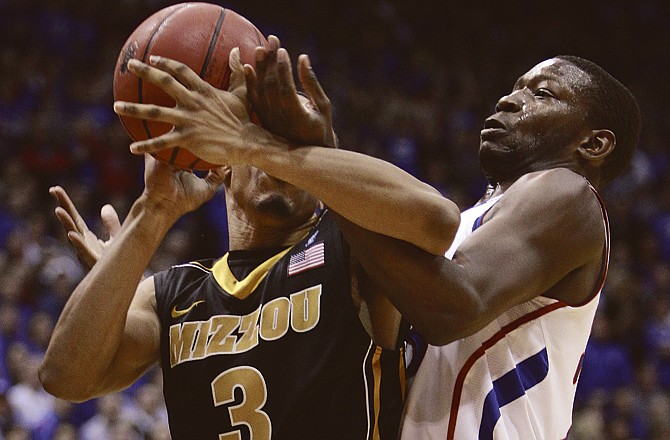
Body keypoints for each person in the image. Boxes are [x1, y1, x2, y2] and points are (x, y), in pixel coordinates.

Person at [111, 36, 641, 439]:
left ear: (593, 143)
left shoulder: (568, 196)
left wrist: (268, 150)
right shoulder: (479, 220)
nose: (509, 99)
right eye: (514, 87)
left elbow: (452, 307)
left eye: (541, 93)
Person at [38, 39, 460, 440]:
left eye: (295, 142)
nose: (276, 154)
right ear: (219, 164)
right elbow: (65, 377)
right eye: (261, 134)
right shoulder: (175, 294)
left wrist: (261, 146)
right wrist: (151, 215)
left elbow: (437, 220)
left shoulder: (351, 245)